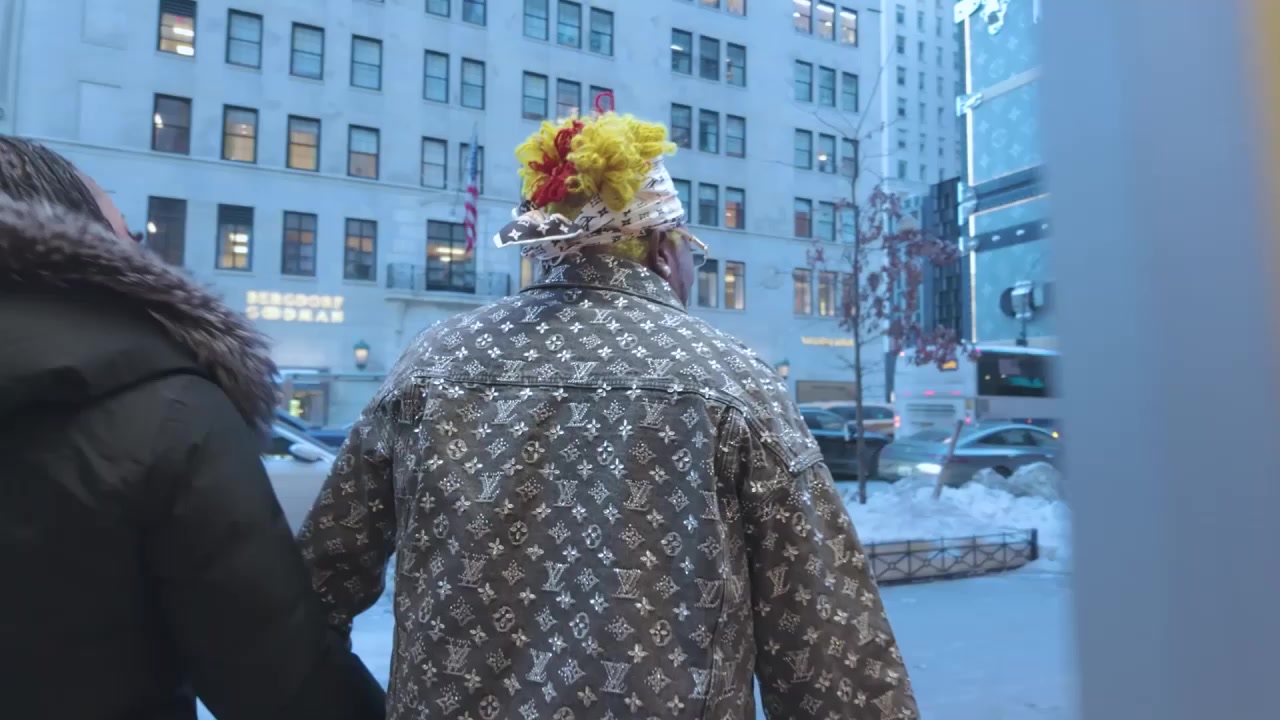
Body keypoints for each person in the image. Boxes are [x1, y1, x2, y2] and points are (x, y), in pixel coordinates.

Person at [298, 108, 919, 719]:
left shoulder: (430, 364)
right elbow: (826, 646)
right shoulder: (731, 379)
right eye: (693, 252)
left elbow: (310, 593)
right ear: (661, 248)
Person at [0, 136, 386, 720]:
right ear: (80, 236)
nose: (139, 245)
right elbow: (279, 678)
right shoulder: (166, 405)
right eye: (128, 231)